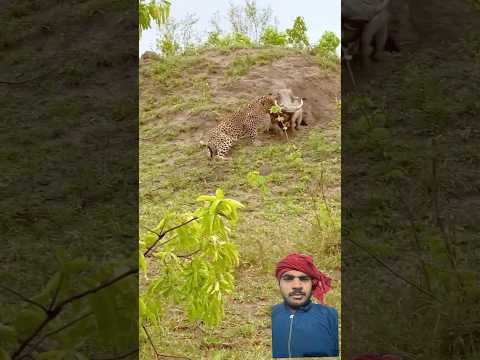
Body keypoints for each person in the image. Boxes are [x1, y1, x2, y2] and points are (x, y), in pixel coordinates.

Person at [271, 253, 339, 358]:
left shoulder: (330, 316)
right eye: (288, 279)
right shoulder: (273, 314)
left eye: (303, 279)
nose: (297, 286)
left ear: (312, 284)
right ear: (279, 283)